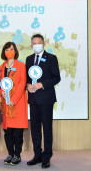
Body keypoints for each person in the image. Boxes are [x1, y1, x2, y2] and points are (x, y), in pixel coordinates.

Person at [25, 34, 61, 168]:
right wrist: (27, 86)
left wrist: (42, 84)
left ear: (44, 44)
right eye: (34, 43)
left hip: (46, 99)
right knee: (35, 129)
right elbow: (26, 79)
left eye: (39, 43)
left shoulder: (51, 58)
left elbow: (56, 78)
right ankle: (37, 155)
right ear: (31, 46)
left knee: (46, 128)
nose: (36, 45)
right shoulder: (28, 59)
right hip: (33, 99)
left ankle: (47, 156)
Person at [0, 42, 28, 166]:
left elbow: (22, 84)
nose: (9, 51)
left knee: (18, 132)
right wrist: (2, 93)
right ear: (4, 52)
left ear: (15, 51)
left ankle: (17, 155)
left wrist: (13, 99)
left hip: (18, 103)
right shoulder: (1, 66)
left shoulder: (21, 65)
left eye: (11, 49)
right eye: (7, 49)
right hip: (6, 104)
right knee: (8, 131)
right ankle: (10, 153)